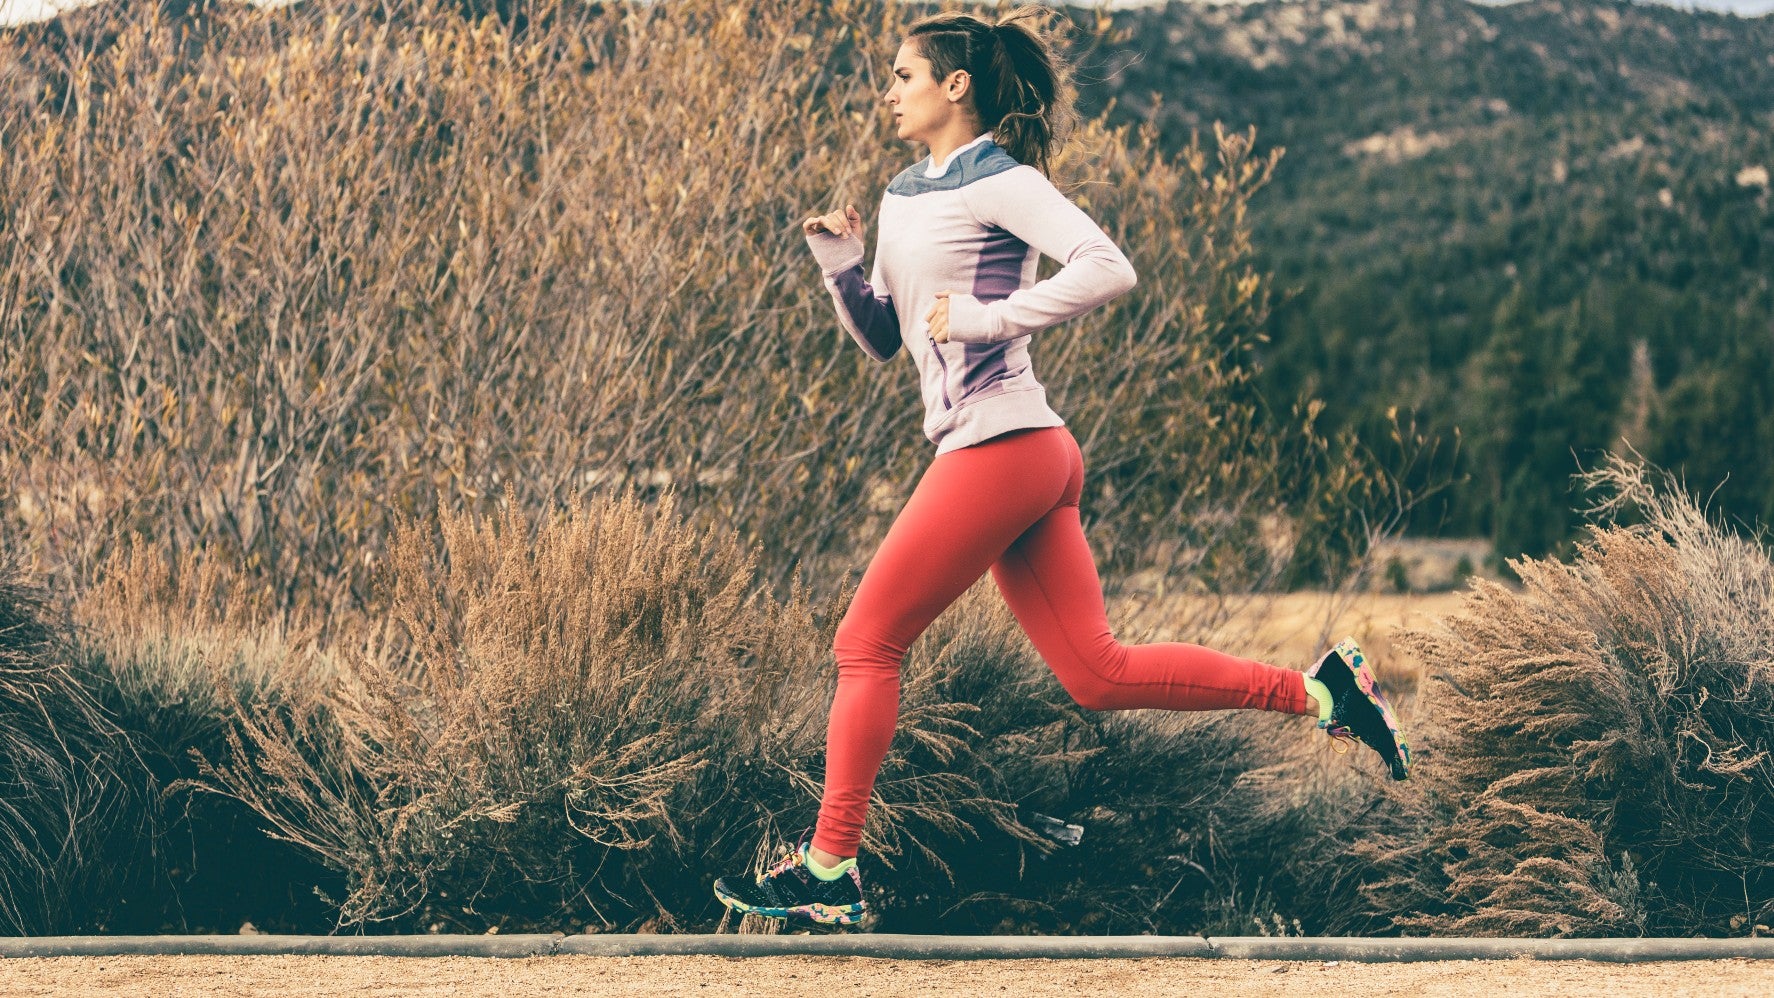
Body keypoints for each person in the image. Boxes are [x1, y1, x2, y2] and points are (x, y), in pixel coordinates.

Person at [712, 5, 1409, 929]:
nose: (888, 91)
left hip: (1002, 447)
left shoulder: (999, 178)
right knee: (1097, 673)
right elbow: (886, 338)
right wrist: (840, 260)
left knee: (865, 642)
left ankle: (830, 869)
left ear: (954, 86)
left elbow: (1107, 266)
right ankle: (1325, 691)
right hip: (1015, 453)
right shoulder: (901, 193)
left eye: (904, 75)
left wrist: (991, 317)